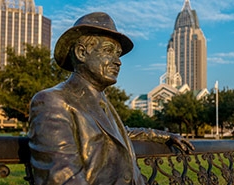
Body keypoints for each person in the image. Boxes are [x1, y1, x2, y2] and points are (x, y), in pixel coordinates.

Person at [27, 12, 194, 185]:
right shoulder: (52, 101)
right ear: (81, 53)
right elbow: (61, 177)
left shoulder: (101, 101)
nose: (118, 61)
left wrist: (165, 137)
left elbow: (121, 133)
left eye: (118, 54)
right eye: (109, 51)